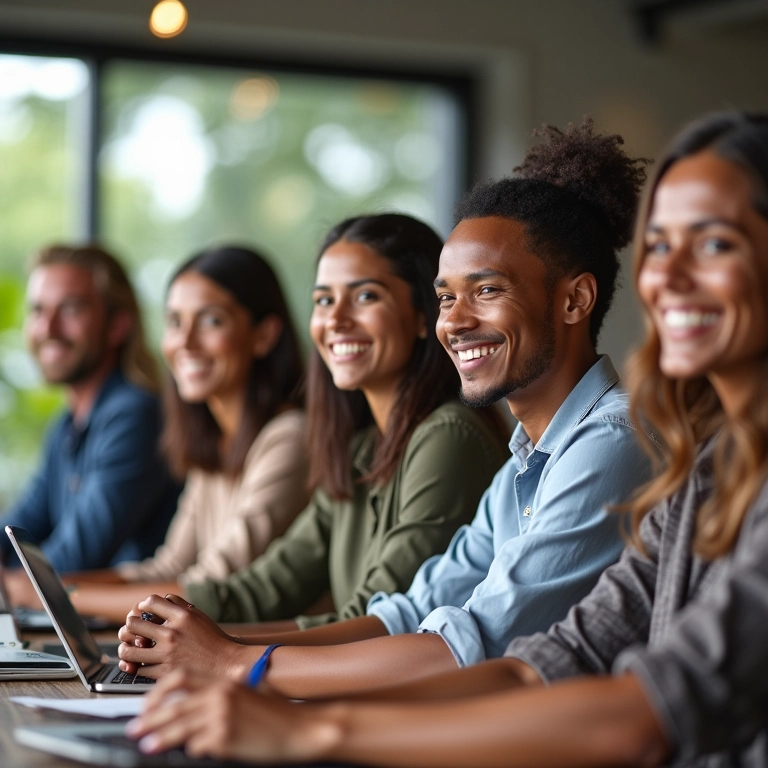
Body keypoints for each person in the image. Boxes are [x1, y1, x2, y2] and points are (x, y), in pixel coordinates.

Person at [130, 111, 768, 767]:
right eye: (659, 246)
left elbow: (641, 712)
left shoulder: (615, 441)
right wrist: (244, 673)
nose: (669, 276)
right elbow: (537, 661)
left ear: (575, 301)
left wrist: (270, 690)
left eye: (714, 243)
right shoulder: (699, 467)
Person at [121, 212, 509, 643]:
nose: (336, 319)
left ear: (423, 315)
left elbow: (376, 620)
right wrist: (167, 623)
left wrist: (223, 649)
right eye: (324, 300)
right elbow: (261, 590)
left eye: (365, 297)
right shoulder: (357, 450)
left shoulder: (449, 437)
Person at [58, 245, 311, 624]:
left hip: (275, 660)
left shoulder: (289, 438)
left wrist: (67, 597)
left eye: (211, 321)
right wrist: (57, 586)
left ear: (264, 335)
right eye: (175, 322)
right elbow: (168, 567)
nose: (185, 342)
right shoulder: (215, 445)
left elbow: (205, 585)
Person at [0, 245, 180, 586]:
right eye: (37, 310)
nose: (48, 327)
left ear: (117, 326)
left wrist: (11, 586)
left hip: (131, 630)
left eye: (69, 309)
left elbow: (72, 560)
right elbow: (20, 529)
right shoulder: (65, 428)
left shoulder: (136, 415)